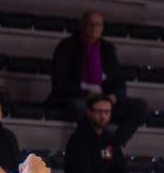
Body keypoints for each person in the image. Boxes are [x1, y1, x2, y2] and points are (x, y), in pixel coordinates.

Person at [47, 11, 148, 146]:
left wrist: (115, 96)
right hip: (78, 95)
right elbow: (60, 83)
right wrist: (86, 94)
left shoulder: (107, 48)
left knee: (139, 107)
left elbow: (118, 78)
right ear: (82, 26)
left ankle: (113, 146)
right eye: (91, 24)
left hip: (102, 97)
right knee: (80, 107)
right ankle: (96, 146)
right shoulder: (66, 47)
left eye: (98, 25)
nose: (95, 28)